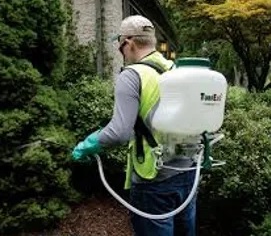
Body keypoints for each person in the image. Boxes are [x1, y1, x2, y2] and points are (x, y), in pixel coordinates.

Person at [72, 15, 197, 236]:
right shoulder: (176, 69)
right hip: (187, 170)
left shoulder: (132, 76)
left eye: (120, 46)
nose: (122, 53)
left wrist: (88, 144)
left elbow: (119, 133)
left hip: (154, 178)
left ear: (128, 42)